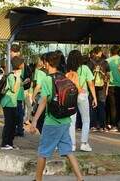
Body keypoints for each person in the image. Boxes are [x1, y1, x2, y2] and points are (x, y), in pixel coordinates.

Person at [30, 52, 83, 181]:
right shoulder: (64, 77)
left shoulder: (48, 79)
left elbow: (43, 102)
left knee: (43, 152)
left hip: (52, 121)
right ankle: (80, 179)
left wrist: (34, 121)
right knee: (68, 151)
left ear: (47, 63)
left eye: (44, 62)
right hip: (65, 120)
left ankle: (38, 179)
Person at [66, 50, 97, 152]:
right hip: (83, 95)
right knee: (86, 120)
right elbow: (91, 84)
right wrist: (94, 98)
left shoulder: (67, 71)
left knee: (71, 121)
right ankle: (84, 143)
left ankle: (72, 144)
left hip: (71, 96)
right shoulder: (85, 68)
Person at [0, 56, 23, 150]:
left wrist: (23, 81)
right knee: (9, 123)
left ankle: (10, 143)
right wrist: (17, 78)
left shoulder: (16, 75)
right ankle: (4, 143)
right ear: (19, 65)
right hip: (8, 103)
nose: (23, 65)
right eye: (22, 63)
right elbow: (14, 89)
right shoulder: (11, 75)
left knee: (13, 124)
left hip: (13, 103)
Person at [87, 46, 110, 132]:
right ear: (100, 52)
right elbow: (108, 77)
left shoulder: (89, 63)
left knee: (93, 105)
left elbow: (87, 76)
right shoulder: (105, 62)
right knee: (101, 105)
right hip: (102, 87)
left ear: (94, 53)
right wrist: (107, 89)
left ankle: (93, 125)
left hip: (91, 86)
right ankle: (102, 126)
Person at [31, 53, 47, 133]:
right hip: (52, 97)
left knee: (40, 118)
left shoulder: (41, 72)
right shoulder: (55, 71)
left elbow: (38, 85)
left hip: (42, 96)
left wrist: (33, 96)